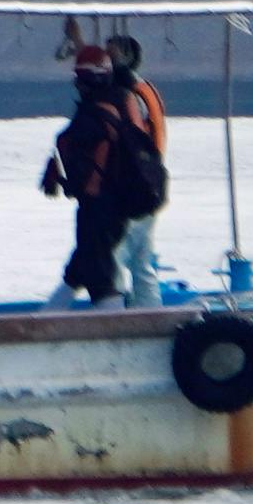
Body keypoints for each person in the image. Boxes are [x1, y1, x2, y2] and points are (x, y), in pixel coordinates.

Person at [39, 43, 165, 306]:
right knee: (136, 267)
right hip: (143, 192)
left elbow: (95, 155)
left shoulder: (98, 111)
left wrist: (75, 180)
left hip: (108, 205)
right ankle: (148, 318)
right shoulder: (129, 97)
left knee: (105, 272)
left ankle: (114, 327)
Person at [104, 31, 171, 302]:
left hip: (135, 186)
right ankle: (149, 310)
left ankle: (118, 313)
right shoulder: (142, 91)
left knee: (115, 256)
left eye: (111, 55)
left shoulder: (129, 97)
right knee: (141, 260)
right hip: (150, 183)